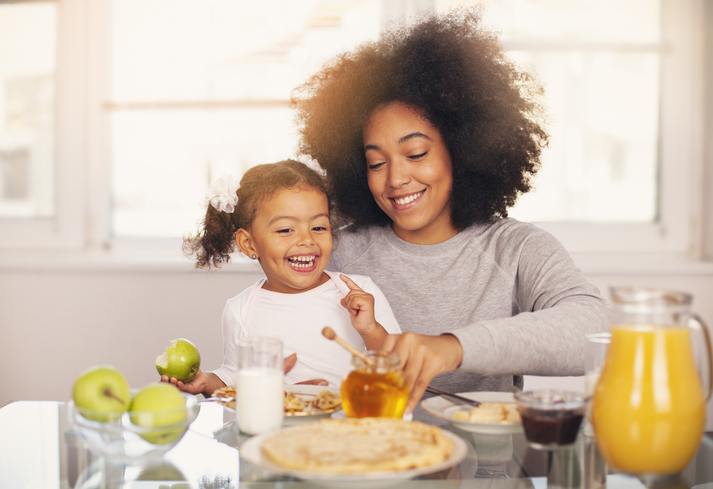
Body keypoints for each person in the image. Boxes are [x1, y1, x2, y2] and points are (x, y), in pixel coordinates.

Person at [291, 8, 610, 415]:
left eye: (416, 153)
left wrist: (453, 347)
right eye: (376, 162)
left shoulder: (516, 249)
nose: (395, 179)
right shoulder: (338, 250)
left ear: (460, 150)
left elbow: (596, 329)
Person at [169, 159, 401, 397]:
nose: (307, 240)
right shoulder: (240, 311)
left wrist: (370, 330)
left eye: (319, 227)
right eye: (286, 230)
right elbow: (236, 381)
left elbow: (400, 367)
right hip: (285, 432)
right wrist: (208, 382)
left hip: (358, 428)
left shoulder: (360, 292)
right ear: (249, 243)